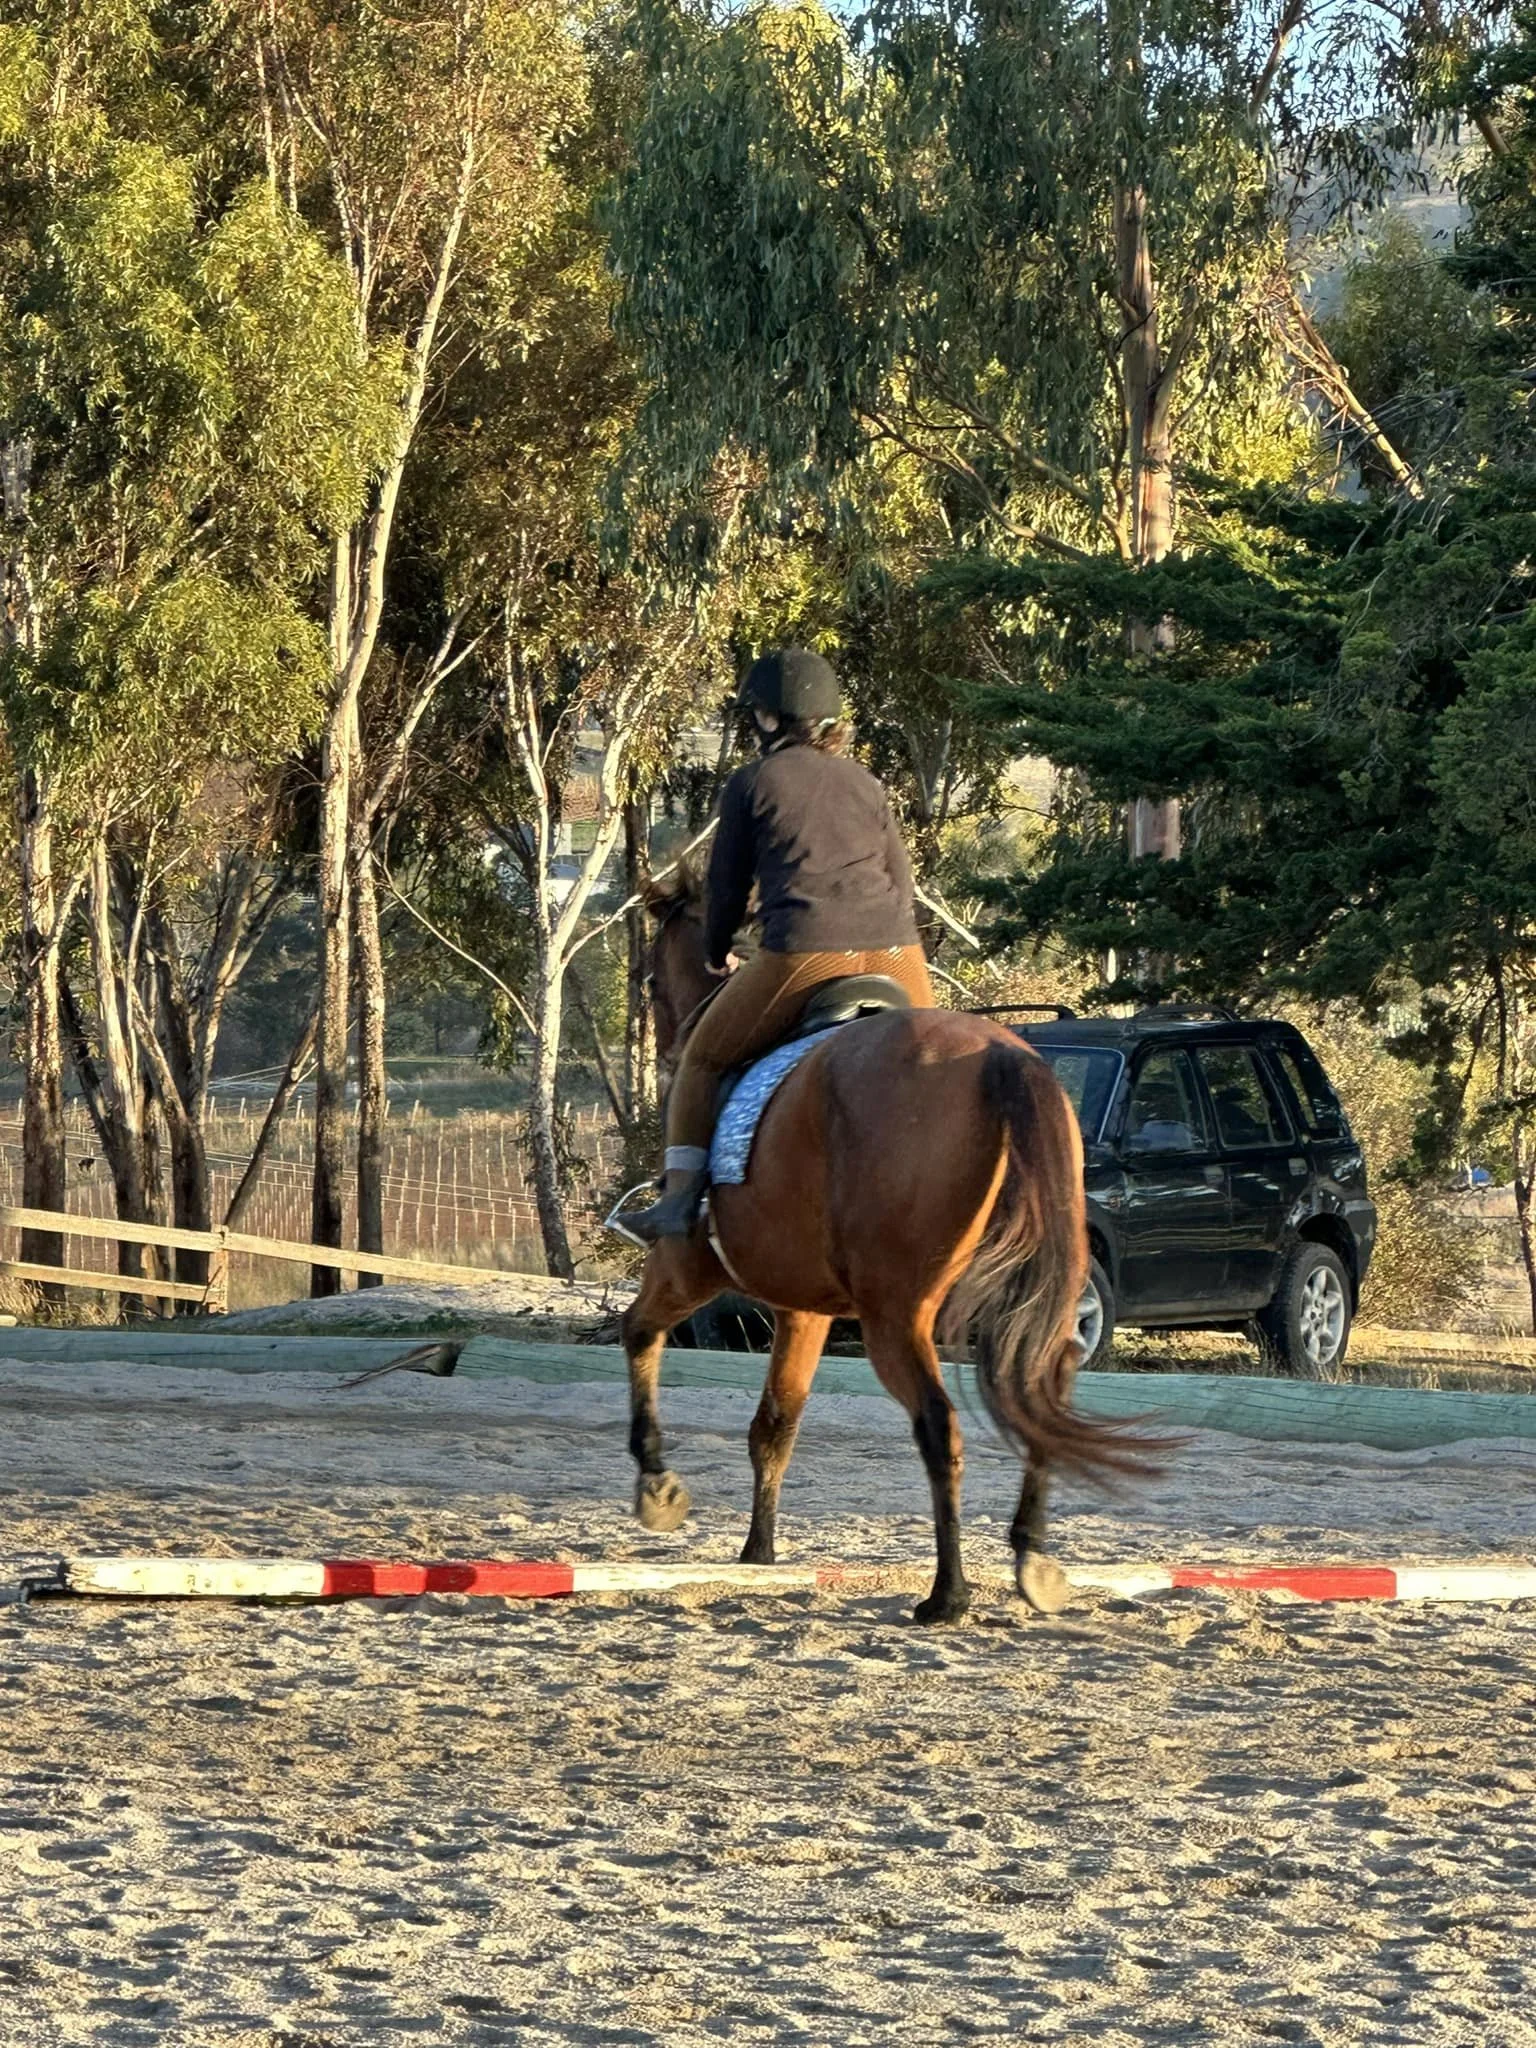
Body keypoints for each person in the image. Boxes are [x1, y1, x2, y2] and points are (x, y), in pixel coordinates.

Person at [628, 647, 933, 1242]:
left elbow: (726, 885)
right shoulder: (866, 781)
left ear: (767, 720)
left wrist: (718, 949)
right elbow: (902, 881)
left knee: (701, 1059)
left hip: (806, 952)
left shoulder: (753, 781)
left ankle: (679, 1200)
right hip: (900, 953)